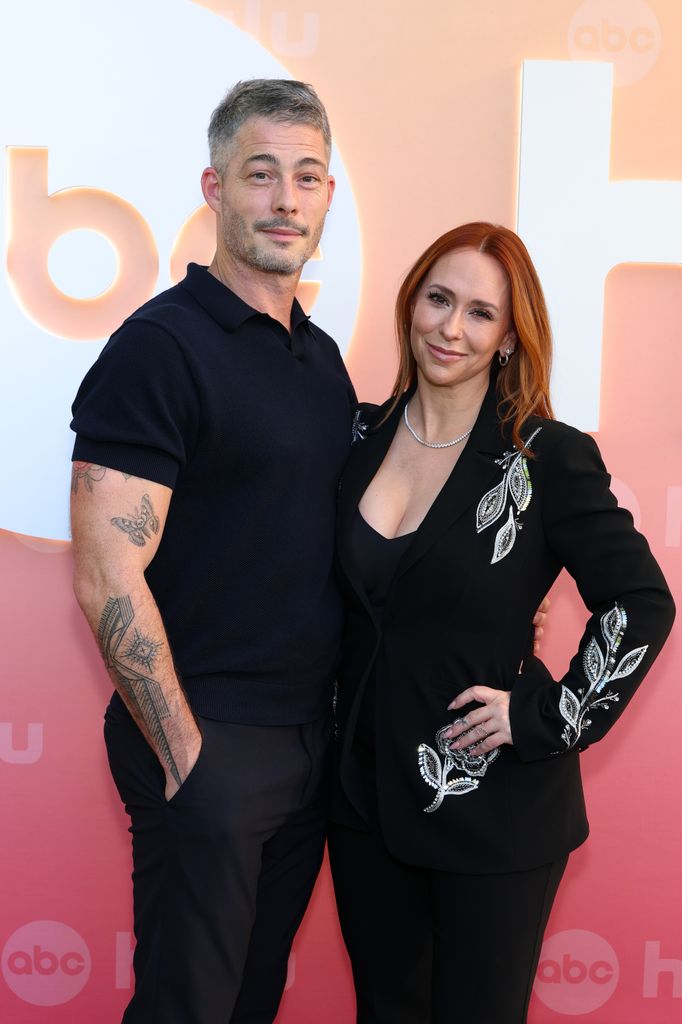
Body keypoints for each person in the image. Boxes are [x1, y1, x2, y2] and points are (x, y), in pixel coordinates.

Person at [327, 222, 675, 1024]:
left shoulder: (545, 457)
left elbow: (642, 601)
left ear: (510, 338)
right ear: (410, 303)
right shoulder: (358, 437)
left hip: (493, 811)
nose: (451, 327)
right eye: (438, 299)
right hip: (362, 802)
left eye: (481, 313)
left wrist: (546, 716)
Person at [69, 79, 356, 1024]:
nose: (285, 199)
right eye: (260, 173)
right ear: (214, 187)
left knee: (250, 1004)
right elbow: (108, 570)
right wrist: (189, 756)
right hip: (208, 737)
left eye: (307, 178)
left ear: (326, 197)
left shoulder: (318, 358)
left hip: (309, 743)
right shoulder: (161, 347)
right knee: (187, 1009)